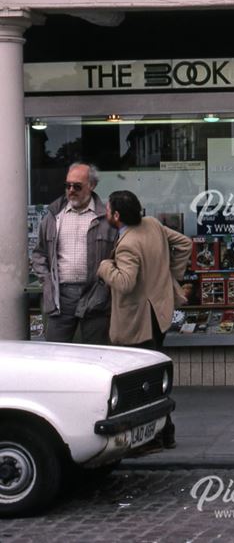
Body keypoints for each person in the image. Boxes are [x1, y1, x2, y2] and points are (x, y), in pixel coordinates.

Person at [98, 190, 192, 448]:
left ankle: (161, 432)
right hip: (158, 312)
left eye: (107, 209)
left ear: (116, 215)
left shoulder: (128, 243)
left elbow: (125, 283)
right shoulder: (153, 224)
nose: (105, 212)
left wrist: (105, 267)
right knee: (151, 375)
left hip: (138, 319)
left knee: (143, 381)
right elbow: (185, 243)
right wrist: (170, 275)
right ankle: (162, 433)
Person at [31, 163, 117, 344]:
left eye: (77, 186)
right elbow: (39, 253)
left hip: (96, 294)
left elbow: (118, 255)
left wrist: (106, 286)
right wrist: (46, 280)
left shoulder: (106, 218)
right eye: (67, 185)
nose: (71, 190)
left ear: (92, 186)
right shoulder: (54, 216)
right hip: (61, 296)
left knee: (97, 354)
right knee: (56, 353)